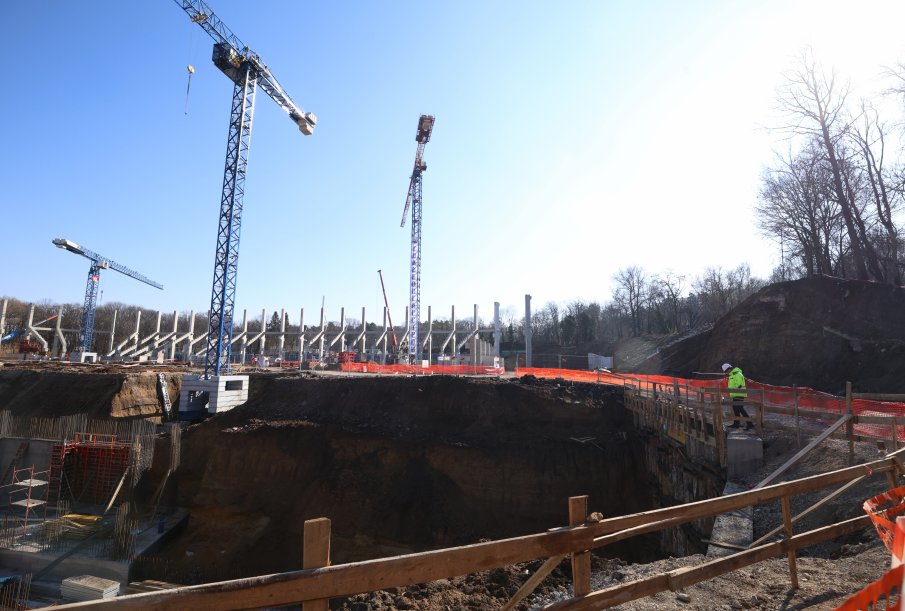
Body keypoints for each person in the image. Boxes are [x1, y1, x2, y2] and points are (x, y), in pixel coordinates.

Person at [722, 362, 753, 430]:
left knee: (740, 409)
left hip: (739, 394)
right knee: (736, 409)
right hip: (736, 394)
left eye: (727, 370)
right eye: (726, 371)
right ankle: (736, 424)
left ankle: (750, 424)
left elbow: (739, 385)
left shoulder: (737, 374)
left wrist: (732, 390)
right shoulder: (732, 375)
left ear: (730, 369)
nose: (727, 372)